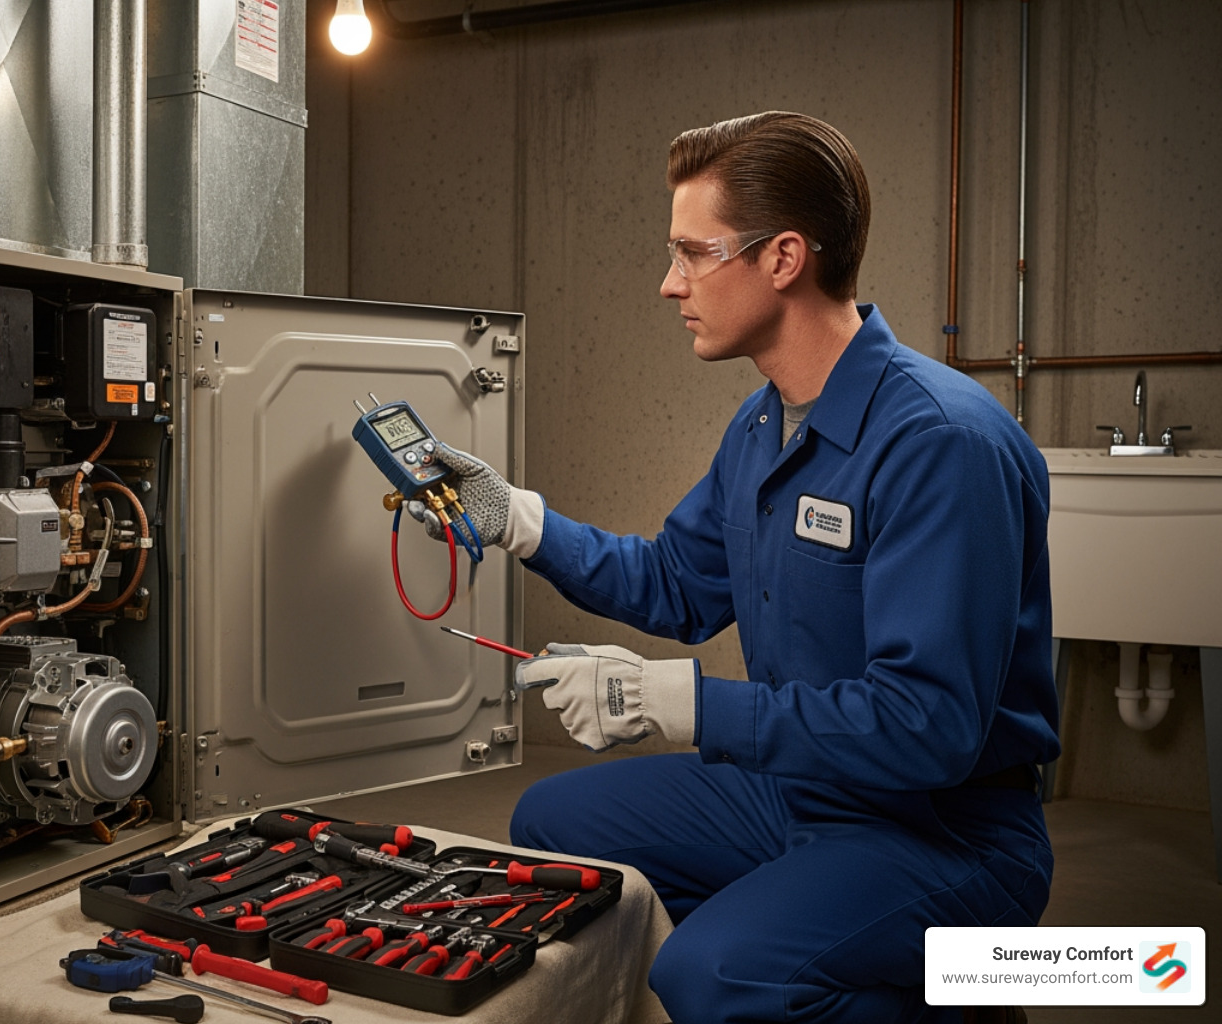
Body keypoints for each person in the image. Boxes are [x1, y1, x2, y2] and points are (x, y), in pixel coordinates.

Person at [408, 112, 1059, 1023]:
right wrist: (517, 520)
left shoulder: (939, 443)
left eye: (691, 252)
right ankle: (821, 946)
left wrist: (677, 704)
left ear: (783, 258)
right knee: (553, 828)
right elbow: (676, 583)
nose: (668, 283)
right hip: (798, 794)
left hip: (948, 833)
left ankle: (964, 997)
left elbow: (928, 726)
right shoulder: (764, 427)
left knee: (709, 975)